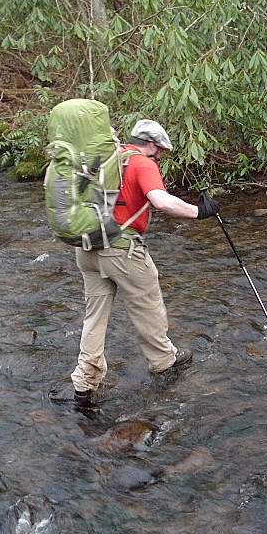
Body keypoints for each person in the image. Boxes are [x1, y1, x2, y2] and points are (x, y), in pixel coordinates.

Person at [68, 119, 220, 407]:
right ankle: (163, 361)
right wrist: (199, 211)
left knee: (94, 318)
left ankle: (85, 382)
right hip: (123, 251)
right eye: (160, 150)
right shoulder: (142, 163)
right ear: (151, 144)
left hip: (87, 248)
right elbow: (161, 201)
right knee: (148, 305)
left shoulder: (104, 159)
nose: (159, 156)